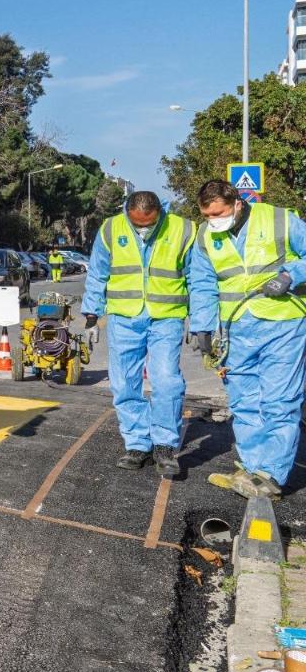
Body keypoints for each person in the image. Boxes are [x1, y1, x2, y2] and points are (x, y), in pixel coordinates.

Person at [190, 179, 306, 499]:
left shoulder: (279, 219)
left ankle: (272, 475)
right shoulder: (205, 235)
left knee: (280, 402)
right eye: (207, 215)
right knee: (244, 402)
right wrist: (201, 327)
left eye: (220, 213)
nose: (214, 220)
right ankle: (253, 468)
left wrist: (290, 275)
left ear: (238, 203)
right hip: (236, 328)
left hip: (283, 323)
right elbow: (202, 283)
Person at [80, 191, 200, 478]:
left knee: (166, 381)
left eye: (149, 224)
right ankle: (137, 443)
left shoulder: (184, 229)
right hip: (124, 317)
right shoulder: (111, 228)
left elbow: (197, 277)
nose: (142, 229)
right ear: (127, 213)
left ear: (161, 213)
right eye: (137, 224)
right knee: (124, 384)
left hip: (166, 318)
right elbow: (98, 273)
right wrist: (91, 316)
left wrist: (201, 321)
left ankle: (164, 446)